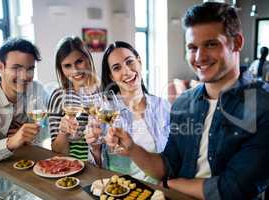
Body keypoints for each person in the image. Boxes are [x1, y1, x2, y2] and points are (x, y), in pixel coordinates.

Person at [105, 2, 269, 199]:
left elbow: (232, 189)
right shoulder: (183, 103)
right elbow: (168, 165)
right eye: (192, 47)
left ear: (237, 42)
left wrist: (169, 184)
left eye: (211, 44)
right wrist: (132, 149)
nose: (200, 57)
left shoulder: (262, 106)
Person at [85, 41, 171, 184]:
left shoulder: (162, 106)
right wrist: (95, 148)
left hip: (160, 190)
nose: (126, 71)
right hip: (120, 190)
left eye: (130, 62)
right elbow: (97, 169)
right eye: (117, 68)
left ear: (139, 62)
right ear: (112, 76)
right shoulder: (104, 111)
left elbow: (175, 158)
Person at [0, 38, 49, 170]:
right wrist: (10, 143)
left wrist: (30, 137)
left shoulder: (37, 91)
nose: (24, 76)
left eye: (30, 69)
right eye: (16, 68)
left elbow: (49, 130)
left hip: (31, 175)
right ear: (1, 68)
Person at [48, 36, 99, 161]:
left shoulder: (105, 92)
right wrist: (63, 132)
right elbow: (57, 151)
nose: (75, 70)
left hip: (106, 167)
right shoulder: (58, 96)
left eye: (79, 62)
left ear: (88, 58)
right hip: (75, 168)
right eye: (67, 66)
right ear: (61, 69)